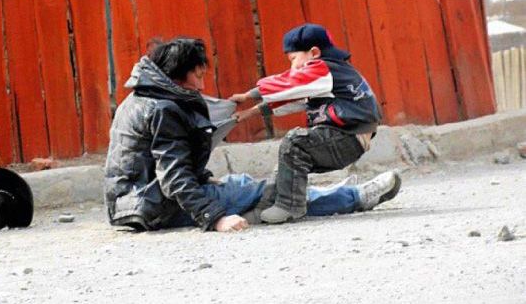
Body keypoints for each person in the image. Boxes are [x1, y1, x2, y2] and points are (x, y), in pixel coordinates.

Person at [104, 36, 401, 232]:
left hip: (131, 203)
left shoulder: (137, 98)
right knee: (271, 193)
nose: (200, 85)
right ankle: (353, 197)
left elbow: (149, 163)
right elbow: (172, 177)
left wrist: (203, 180)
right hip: (154, 205)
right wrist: (215, 217)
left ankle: (330, 193)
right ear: (176, 74)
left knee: (248, 188)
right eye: (197, 75)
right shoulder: (163, 109)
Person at [230, 23, 400, 224]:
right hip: (349, 139)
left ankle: (289, 206)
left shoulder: (323, 69)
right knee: (286, 164)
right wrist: (250, 112)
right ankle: (263, 209)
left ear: (314, 52)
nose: (292, 67)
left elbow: (289, 83)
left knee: (294, 143)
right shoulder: (329, 76)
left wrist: (248, 95)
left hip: (345, 137)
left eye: (293, 59)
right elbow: (294, 100)